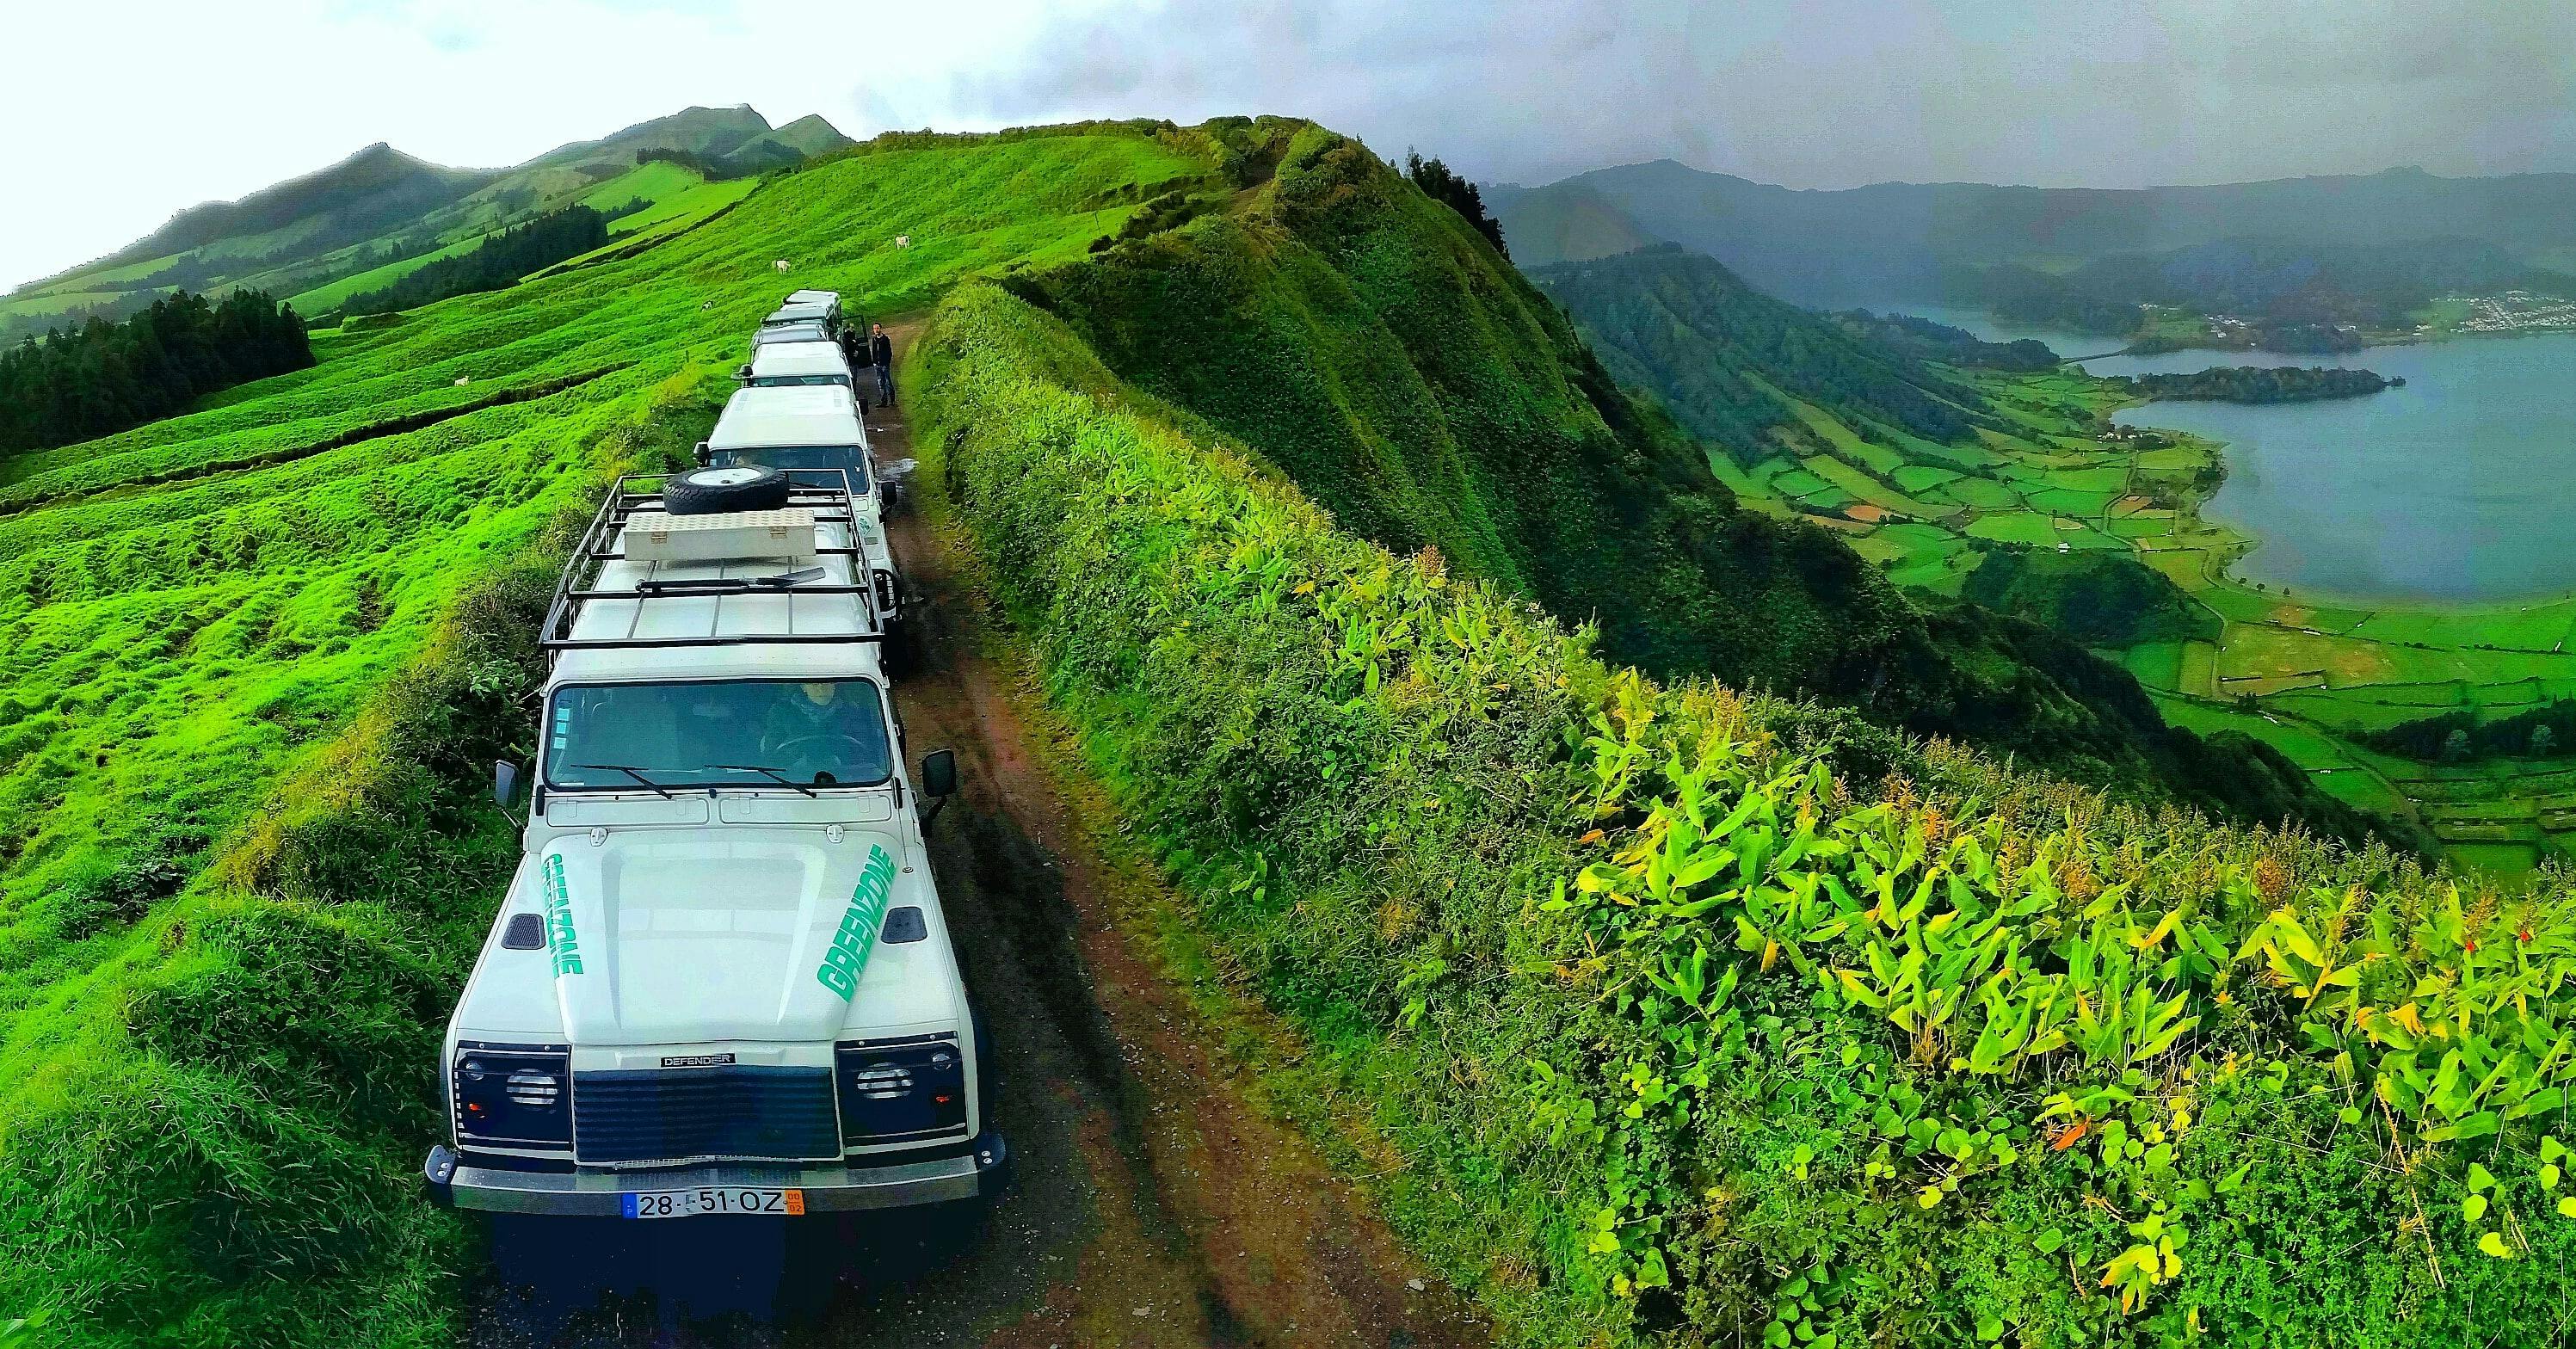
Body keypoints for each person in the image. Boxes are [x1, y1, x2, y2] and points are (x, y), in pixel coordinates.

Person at [759, 682, 881, 785]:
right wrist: (796, 759)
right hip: (794, 780)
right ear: (803, 687)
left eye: (827, 683)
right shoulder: (781, 712)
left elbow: (867, 753)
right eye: (814, 684)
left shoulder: (853, 712)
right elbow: (771, 755)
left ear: (834, 686)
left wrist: (840, 761)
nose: (821, 689)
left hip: (844, 780)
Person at [868, 323, 895, 408]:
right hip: (877, 364)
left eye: (877, 328)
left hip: (884, 364)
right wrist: (874, 362)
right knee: (881, 383)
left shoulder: (885, 339)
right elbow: (874, 351)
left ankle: (892, 400)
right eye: (874, 328)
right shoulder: (874, 340)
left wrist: (887, 362)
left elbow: (889, 352)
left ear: (880, 329)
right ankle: (884, 401)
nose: (876, 330)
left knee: (887, 382)